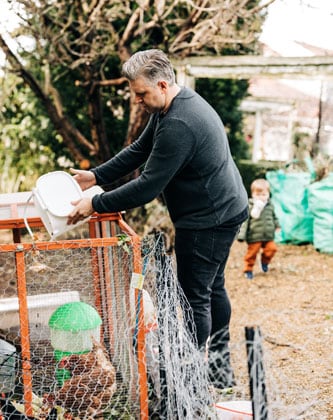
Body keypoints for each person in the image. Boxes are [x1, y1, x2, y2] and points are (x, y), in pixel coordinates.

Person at [67, 49, 248, 389]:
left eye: (140, 94)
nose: (137, 100)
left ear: (162, 85)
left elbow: (147, 187)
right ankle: (220, 371)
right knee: (212, 287)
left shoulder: (179, 122)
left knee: (195, 295)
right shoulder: (173, 106)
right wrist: (95, 176)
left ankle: (191, 380)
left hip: (209, 218)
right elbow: (140, 149)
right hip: (225, 207)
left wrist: (95, 204)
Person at [238, 178, 280, 280]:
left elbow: (273, 217)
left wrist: (277, 225)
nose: (261, 197)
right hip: (254, 236)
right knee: (252, 253)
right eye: (258, 195)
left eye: (264, 195)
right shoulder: (250, 206)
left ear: (268, 194)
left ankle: (265, 262)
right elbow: (245, 222)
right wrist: (241, 235)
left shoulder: (270, 205)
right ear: (252, 194)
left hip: (268, 235)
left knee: (272, 248)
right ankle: (248, 270)